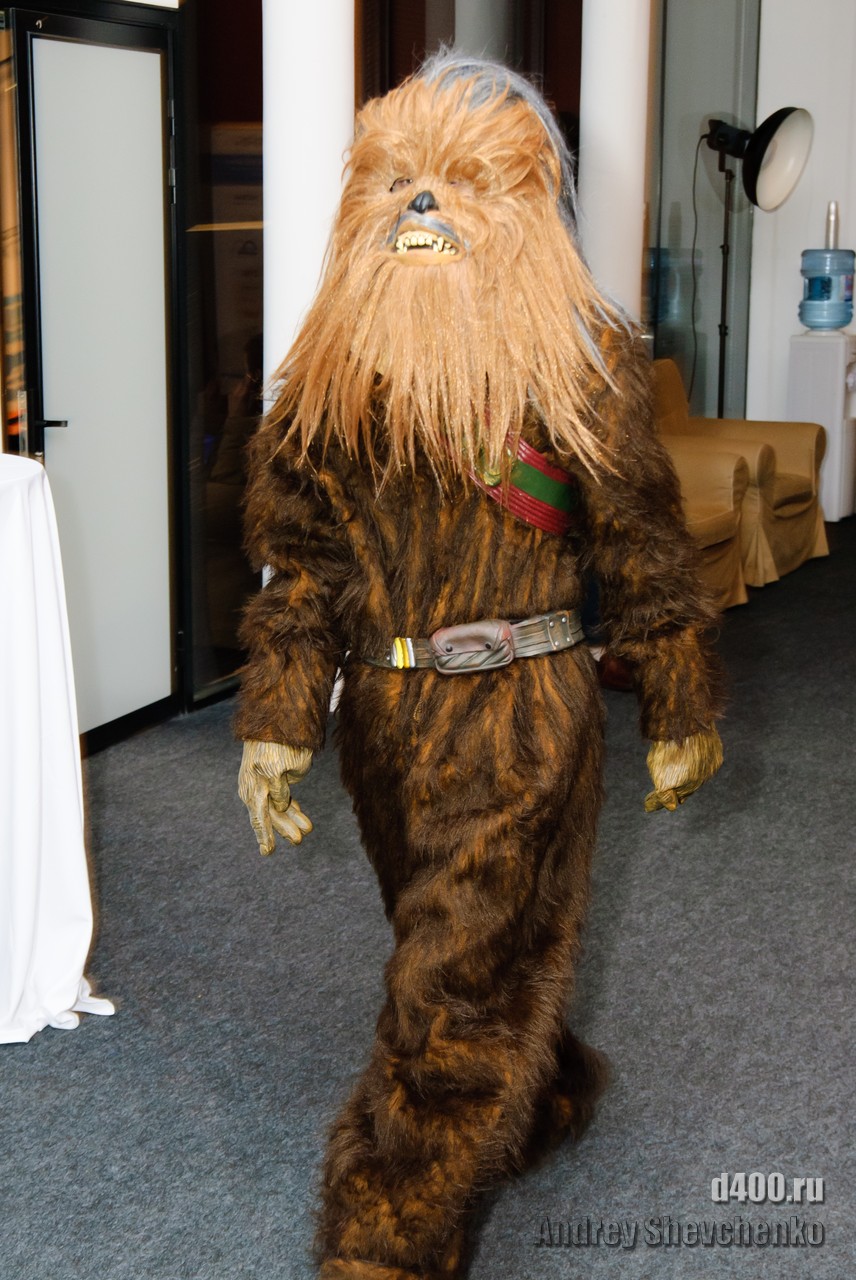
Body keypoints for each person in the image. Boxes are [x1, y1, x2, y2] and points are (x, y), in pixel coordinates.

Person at [236, 53, 723, 1280]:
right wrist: (278, 722)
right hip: (384, 723)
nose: (424, 206)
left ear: (530, 210)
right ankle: (541, 1090)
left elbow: (644, 547)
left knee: (446, 989)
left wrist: (678, 697)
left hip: (524, 717)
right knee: (456, 945)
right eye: (398, 179)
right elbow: (302, 571)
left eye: (463, 181)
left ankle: (385, 1235)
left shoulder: (584, 367)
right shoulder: (324, 386)